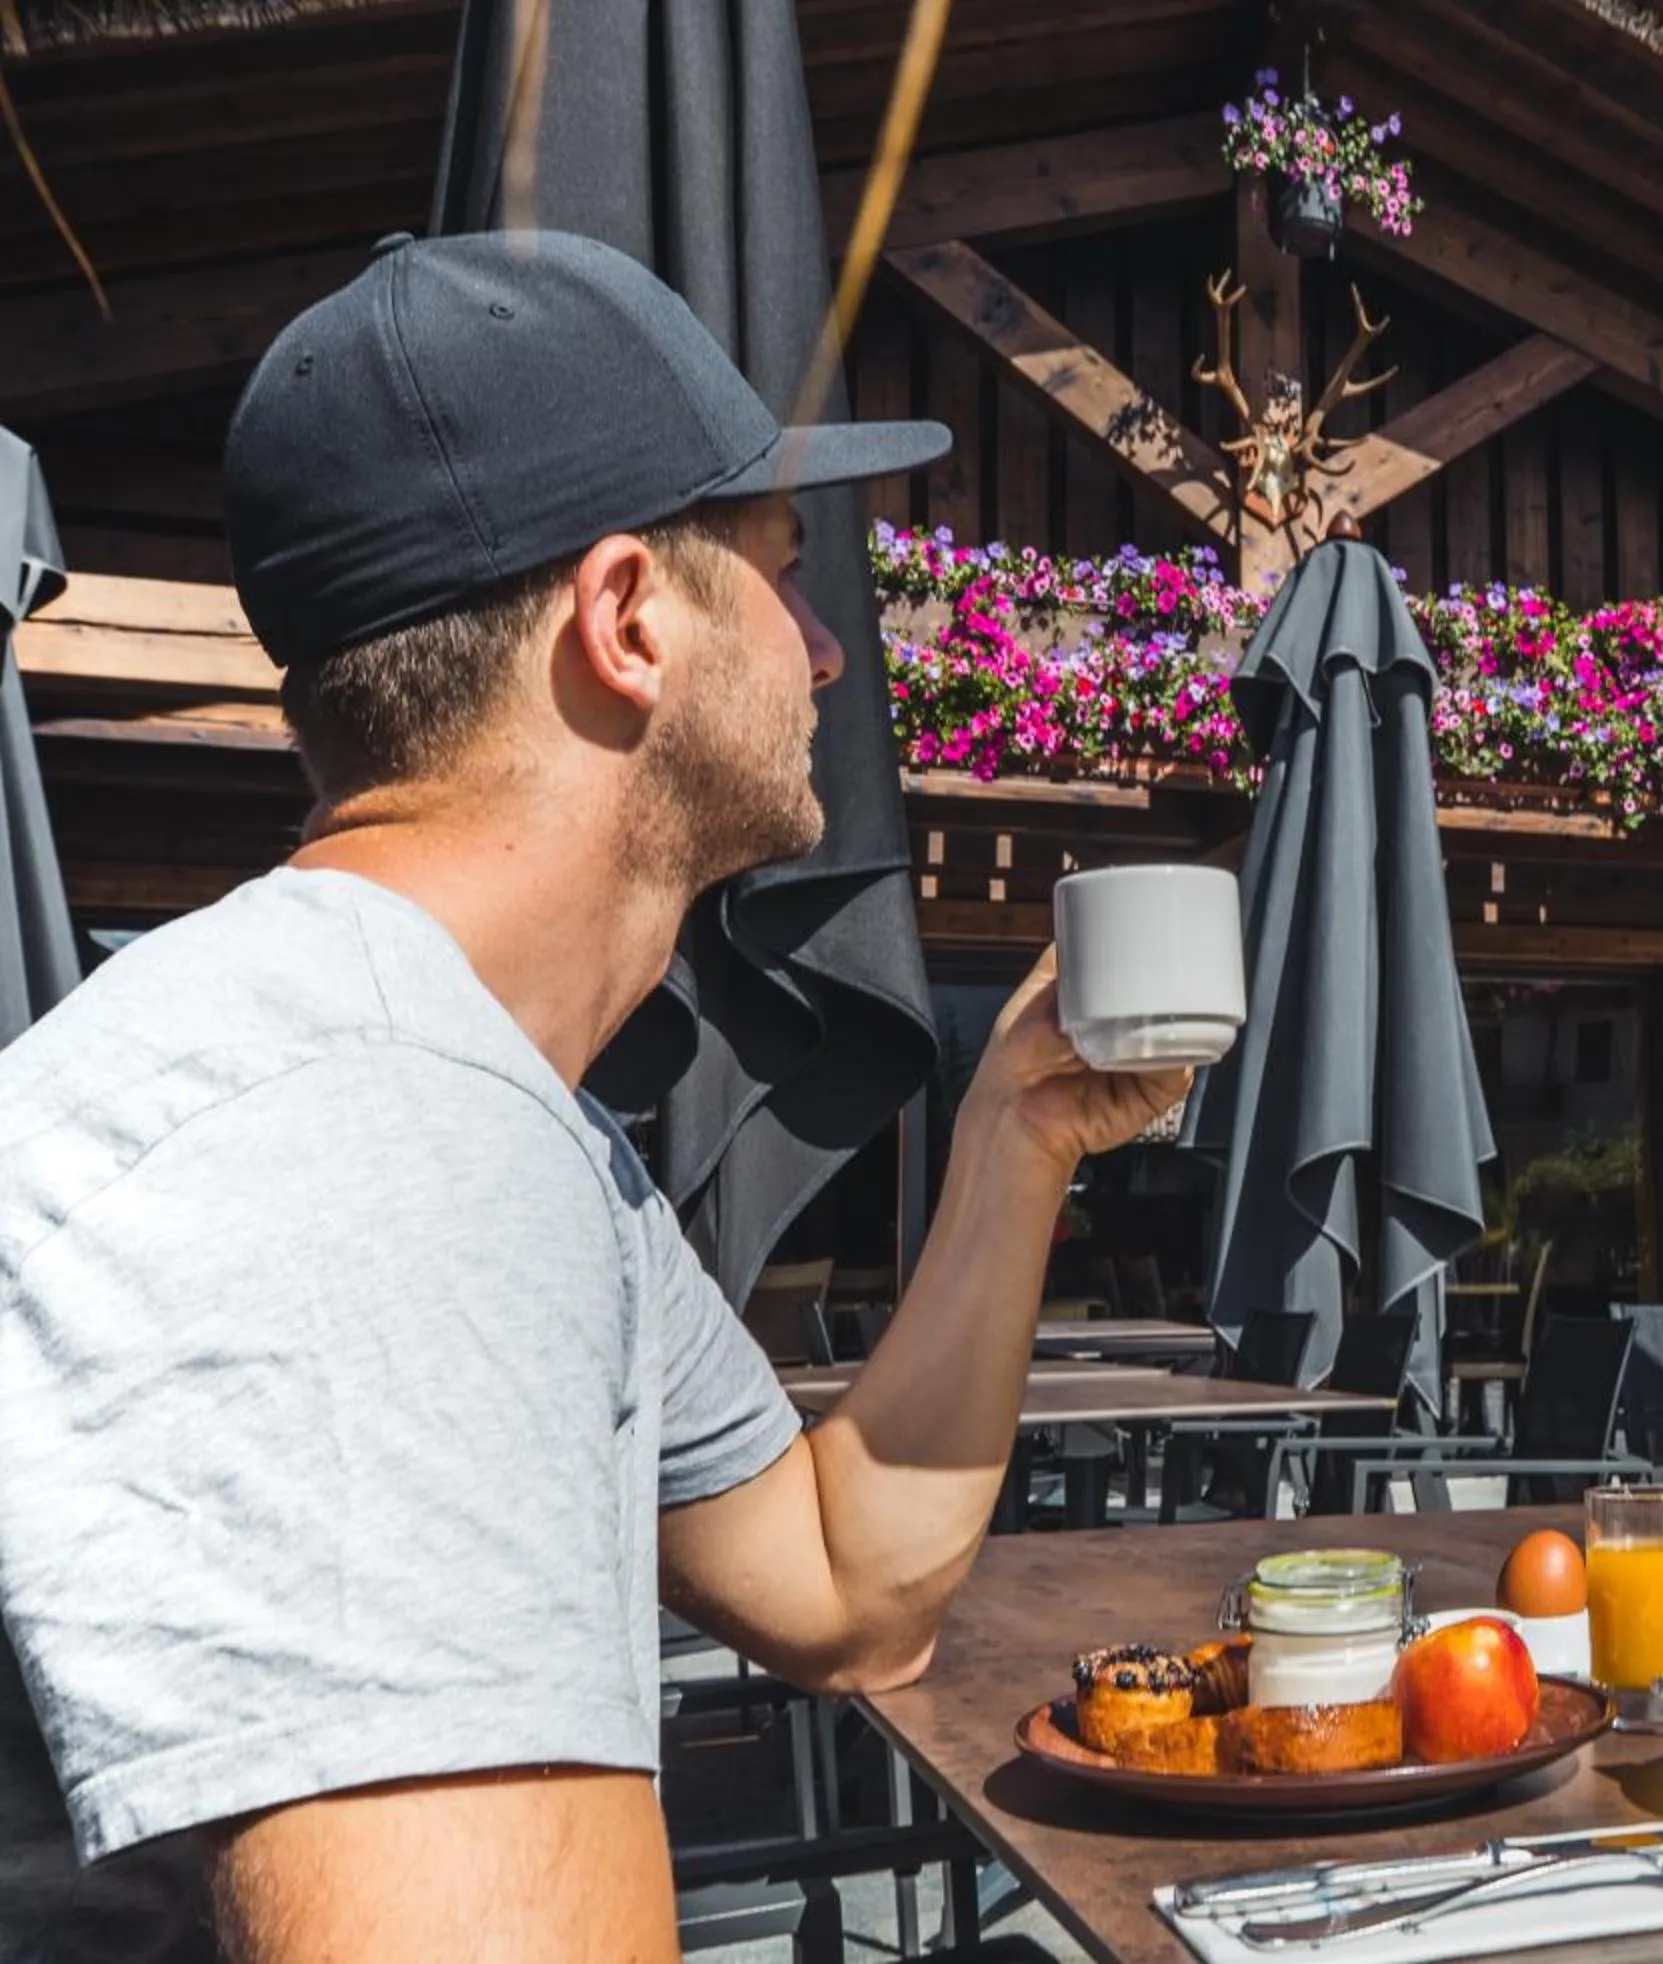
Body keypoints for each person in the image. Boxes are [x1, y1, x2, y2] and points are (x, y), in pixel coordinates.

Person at [0, 231, 1184, 1961]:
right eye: (784, 582)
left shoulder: (499, 1123)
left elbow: (846, 1587)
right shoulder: (375, 1152)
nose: (828, 660)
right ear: (629, 620)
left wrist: (1017, 1133)